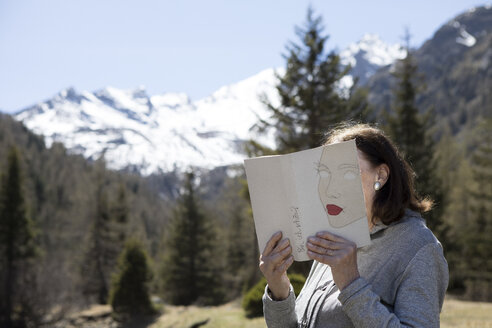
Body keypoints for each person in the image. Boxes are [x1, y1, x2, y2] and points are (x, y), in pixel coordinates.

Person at [260, 124, 449, 327]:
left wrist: (350, 283)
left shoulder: (420, 247)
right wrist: (279, 289)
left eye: (348, 174)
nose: (331, 190)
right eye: (324, 174)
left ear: (381, 176)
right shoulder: (335, 234)